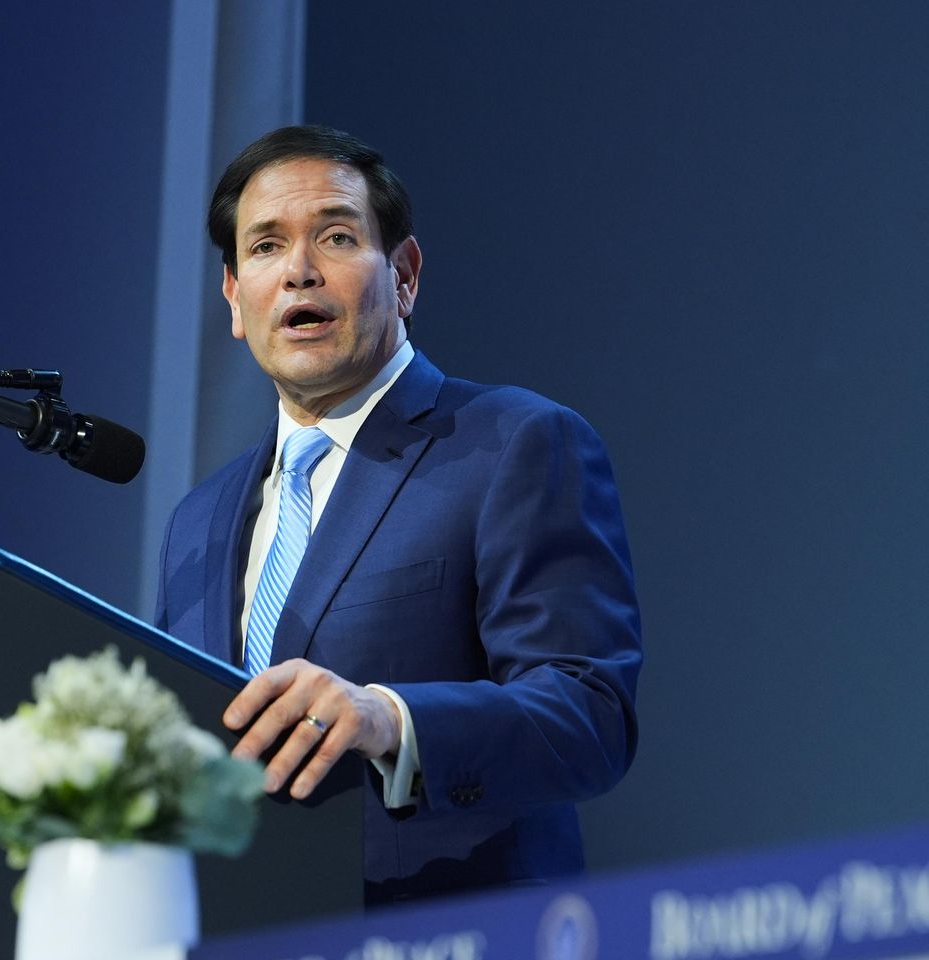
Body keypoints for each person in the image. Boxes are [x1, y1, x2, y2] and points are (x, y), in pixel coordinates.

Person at [156, 125, 642, 903]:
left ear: (405, 275)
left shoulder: (512, 443)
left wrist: (390, 719)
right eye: (266, 247)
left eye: (337, 237)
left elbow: (588, 716)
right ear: (235, 299)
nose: (300, 271)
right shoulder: (198, 518)